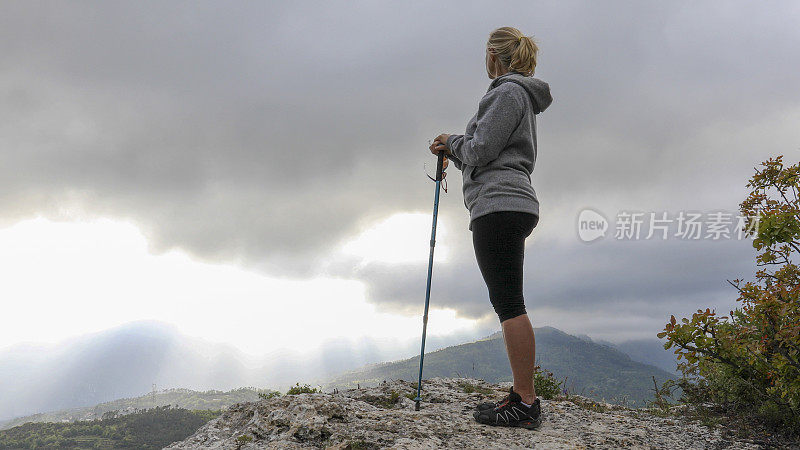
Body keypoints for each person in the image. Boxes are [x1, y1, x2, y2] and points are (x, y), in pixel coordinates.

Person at [429, 26, 553, 430]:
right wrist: (456, 148)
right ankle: (520, 395)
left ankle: (527, 402)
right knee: (508, 300)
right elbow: (487, 153)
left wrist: (452, 140)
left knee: (508, 303)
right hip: (510, 201)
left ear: (494, 56)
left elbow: (480, 149)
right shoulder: (519, 96)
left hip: (498, 204)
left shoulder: (506, 92)